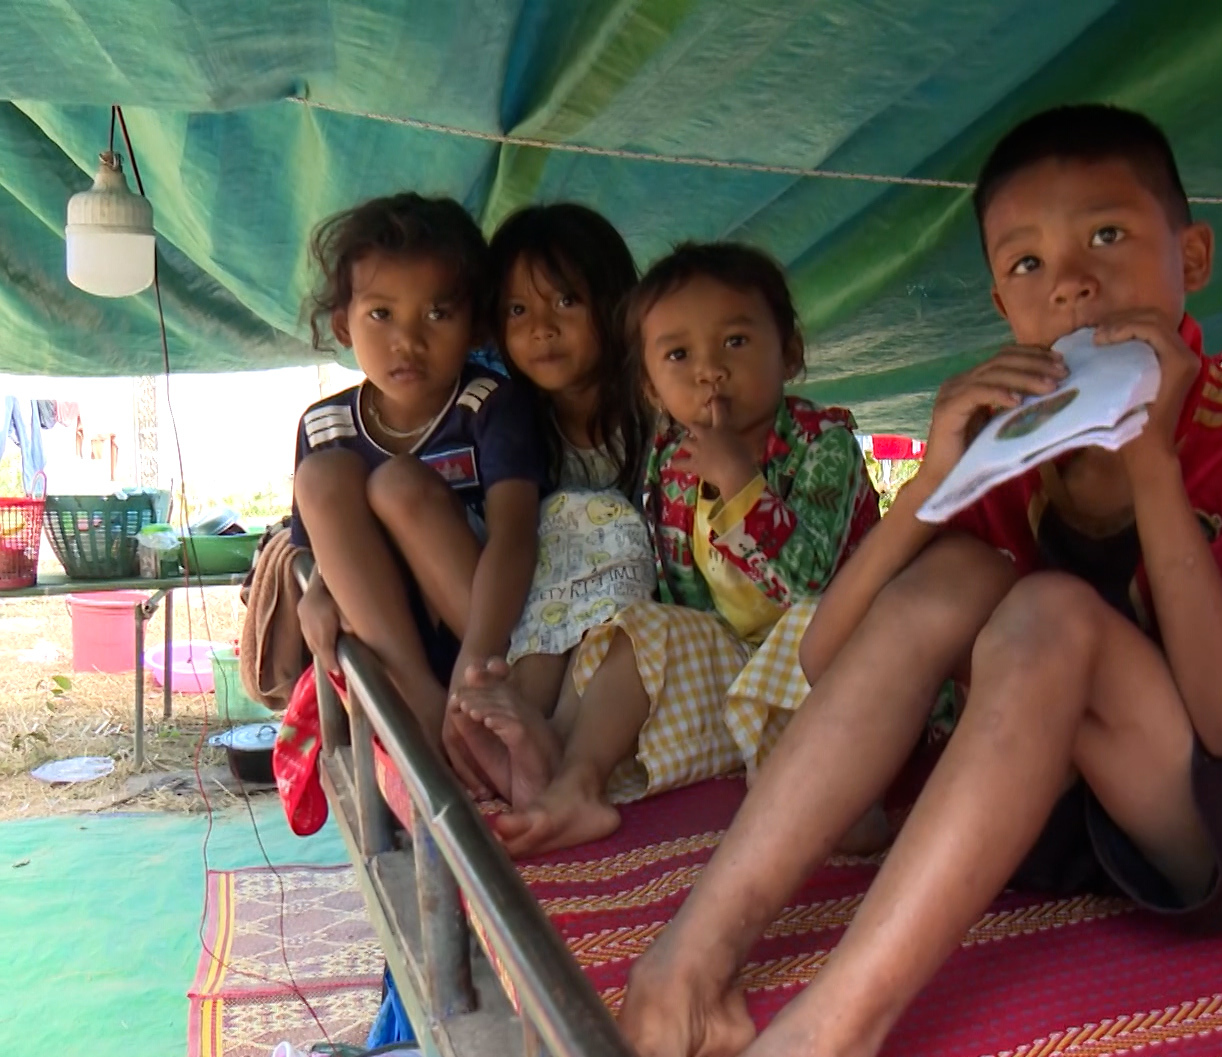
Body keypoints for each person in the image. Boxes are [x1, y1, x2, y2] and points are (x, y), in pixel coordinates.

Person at [615, 104, 1222, 1057]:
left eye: (1108, 236)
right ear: (1003, 306)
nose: (1074, 284)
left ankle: (825, 1042)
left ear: (1196, 255)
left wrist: (1151, 465)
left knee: (1049, 611)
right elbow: (824, 655)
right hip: (1072, 813)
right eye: (1028, 265)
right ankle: (686, 974)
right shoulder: (1012, 449)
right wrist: (933, 484)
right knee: (965, 573)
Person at [455, 241, 882, 858]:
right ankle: (571, 781)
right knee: (641, 626)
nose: (709, 370)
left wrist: (743, 486)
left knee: (818, 659)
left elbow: (811, 584)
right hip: (737, 663)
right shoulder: (671, 457)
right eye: (678, 355)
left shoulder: (825, 444)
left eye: (735, 342)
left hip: (830, 657)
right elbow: (685, 602)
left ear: (789, 353)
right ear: (651, 388)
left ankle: (836, 794)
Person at [291, 193, 543, 781]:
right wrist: (318, 587)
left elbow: (515, 537)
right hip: (398, 647)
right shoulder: (322, 427)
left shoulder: (490, 406)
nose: (408, 341)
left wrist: (479, 652)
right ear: (342, 323)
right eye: (381, 315)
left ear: (475, 322)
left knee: (399, 484)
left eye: (437, 314)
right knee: (324, 475)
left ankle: (460, 703)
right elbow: (308, 549)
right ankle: (422, 710)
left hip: (486, 633)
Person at [446, 204, 657, 806]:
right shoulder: (506, 416)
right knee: (555, 521)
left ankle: (547, 739)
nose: (542, 328)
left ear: (615, 304)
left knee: (593, 517)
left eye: (566, 302)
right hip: (540, 616)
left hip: (633, 618)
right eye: (519, 310)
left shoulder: (652, 406)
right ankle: (521, 721)